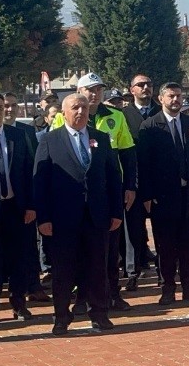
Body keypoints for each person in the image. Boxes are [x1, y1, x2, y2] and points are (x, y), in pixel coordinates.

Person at [34, 94, 123, 335]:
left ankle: (99, 313)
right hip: (62, 218)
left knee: (98, 267)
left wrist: (116, 211)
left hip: (96, 216)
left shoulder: (101, 139)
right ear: (64, 112)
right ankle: (61, 316)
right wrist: (44, 218)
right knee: (63, 270)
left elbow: (114, 177)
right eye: (75, 108)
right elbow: (40, 181)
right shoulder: (50, 140)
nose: (81, 112)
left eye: (84, 107)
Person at [50, 73, 137, 311]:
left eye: (98, 90)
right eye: (89, 89)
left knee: (109, 247)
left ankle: (112, 293)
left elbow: (128, 154)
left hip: (106, 190)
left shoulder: (116, 116)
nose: (94, 94)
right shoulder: (62, 117)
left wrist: (130, 186)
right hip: (73, 195)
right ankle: (82, 297)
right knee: (79, 249)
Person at [137, 83, 189, 305]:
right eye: (171, 96)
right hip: (163, 197)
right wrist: (147, 196)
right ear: (161, 99)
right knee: (166, 245)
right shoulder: (150, 126)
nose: (175, 100)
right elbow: (144, 165)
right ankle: (168, 287)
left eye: (178, 96)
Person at [0, 92, 38, 323]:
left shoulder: (18, 136)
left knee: (19, 257)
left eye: (0, 108)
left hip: (16, 207)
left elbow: (30, 172)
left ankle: (19, 302)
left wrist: (31, 205)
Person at [120, 74, 159, 283]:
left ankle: (166, 270)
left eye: (149, 84)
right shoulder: (123, 115)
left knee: (162, 227)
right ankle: (132, 271)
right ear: (132, 89)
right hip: (134, 180)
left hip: (160, 181)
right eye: (141, 85)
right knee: (133, 228)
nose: (146, 88)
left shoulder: (161, 112)